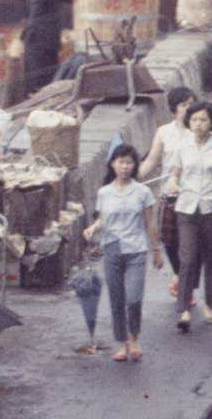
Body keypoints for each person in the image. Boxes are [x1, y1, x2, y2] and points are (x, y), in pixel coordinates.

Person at [83, 143, 163, 362]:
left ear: (134, 165)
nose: (125, 167)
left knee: (133, 297)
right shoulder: (104, 192)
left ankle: (134, 336)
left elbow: (150, 223)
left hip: (136, 249)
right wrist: (93, 227)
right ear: (112, 164)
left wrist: (156, 250)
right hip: (112, 249)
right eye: (121, 162)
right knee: (117, 299)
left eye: (129, 162)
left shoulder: (143, 192)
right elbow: (103, 218)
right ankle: (122, 343)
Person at [167, 101, 212, 332]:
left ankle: (210, 305)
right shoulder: (182, 147)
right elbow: (174, 174)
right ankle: (184, 308)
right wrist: (173, 183)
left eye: (203, 120)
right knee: (187, 258)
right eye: (194, 119)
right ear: (189, 122)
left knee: (211, 257)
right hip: (186, 208)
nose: (198, 124)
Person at [139, 85, 197, 296]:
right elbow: (151, 162)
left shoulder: (201, 131)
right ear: (174, 108)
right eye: (183, 105)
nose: (188, 109)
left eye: (191, 104)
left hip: (194, 195)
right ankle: (180, 276)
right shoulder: (164, 133)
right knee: (171, 242)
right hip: (169, 197)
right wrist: (130, 177)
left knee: (191, 246)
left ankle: (185, 285)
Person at [25, 0, 72, 93]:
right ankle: (35, 99)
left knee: (50, 72)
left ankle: (45, 97)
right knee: (38, 74)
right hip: (38, 40)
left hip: (49, 40)